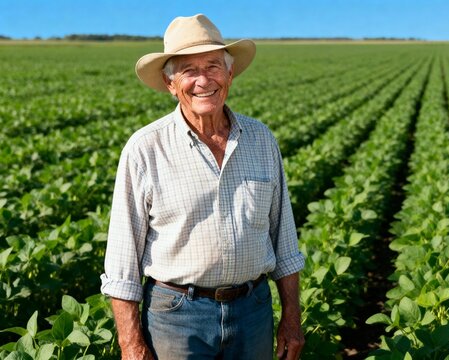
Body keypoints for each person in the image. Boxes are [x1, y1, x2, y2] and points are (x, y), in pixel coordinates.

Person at [100, 14, 305, 360]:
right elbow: (123, 261)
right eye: (188, 70)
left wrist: (292, 319)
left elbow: (283, 238)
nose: (202, 80)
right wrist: (130, 343)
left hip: (253, 311)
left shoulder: (261, 139)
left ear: (229, 74)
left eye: (212, 66)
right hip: (177, 317)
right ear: (170, 83)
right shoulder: (144, 149)